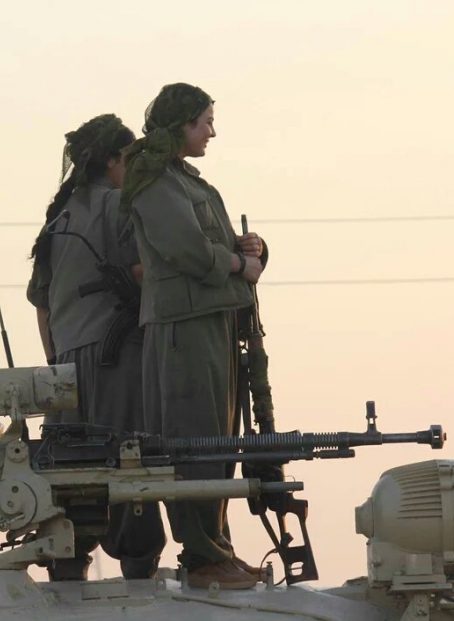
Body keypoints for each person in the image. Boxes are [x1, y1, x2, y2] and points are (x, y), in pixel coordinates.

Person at [121, 83, 268, 589]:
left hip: (212, 321)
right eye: (204, 121)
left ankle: (216, 546)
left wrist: (251, 249)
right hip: (184, 328)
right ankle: (202, 554)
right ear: (182, 123)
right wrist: (238, 264)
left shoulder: (187, 181)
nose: (211, 130)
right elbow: (186, 248)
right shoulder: (157, 182)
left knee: (218, 443)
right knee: (194, 442)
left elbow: (218, 245)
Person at [27, 113, 166, 580]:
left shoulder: (57, 221)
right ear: (112, 161)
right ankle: (140, 588)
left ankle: (67, 580)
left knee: (70, 485)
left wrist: (58, 360)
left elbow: (41, 305)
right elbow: (150, 269)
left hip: (62, 371)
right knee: (128, 476)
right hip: (115, 361)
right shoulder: (116, 204)